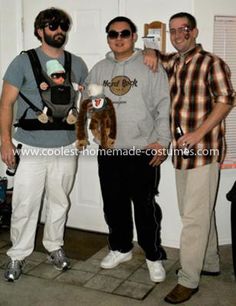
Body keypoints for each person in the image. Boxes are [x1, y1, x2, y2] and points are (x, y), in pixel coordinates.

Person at [144, 12, 235, 303]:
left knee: (193, 218)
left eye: (182, 29)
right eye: (172, 31)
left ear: (193, 31)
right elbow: (151, 53)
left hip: (204, 150)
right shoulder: (172, 61)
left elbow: (226, 100)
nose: (177, 34)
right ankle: (208, 262)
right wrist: (147, 50)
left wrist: (198, 133)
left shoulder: (212, 63)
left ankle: (188, 278)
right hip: (181, 153)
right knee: (196, 212)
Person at [0, 7, 88, 282]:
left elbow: (83, 105)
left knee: (59, 201)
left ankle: (54, 246)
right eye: (52, 26)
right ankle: (17, 254)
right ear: (40, 30)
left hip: (65, 145)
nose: (58, 31)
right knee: (25, 204)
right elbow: (6, 103)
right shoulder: (23, 62)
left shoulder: (78, 64)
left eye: (62, 26)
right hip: (31, 145)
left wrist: (82, 135)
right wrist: (5, 142)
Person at [83, 16, 171, 283]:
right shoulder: (99, 68)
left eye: (124, 33)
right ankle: (121, 248)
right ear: (108, 37)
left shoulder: (150, 66)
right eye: (112, 33)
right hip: (110, 151)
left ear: (134, 36)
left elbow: (163, 105)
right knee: (113, 204)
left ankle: (153, 255)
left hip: (141, 149)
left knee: (144, 206)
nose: (118, 38)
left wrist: (163, 141)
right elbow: (89, 101)